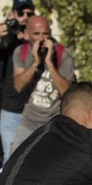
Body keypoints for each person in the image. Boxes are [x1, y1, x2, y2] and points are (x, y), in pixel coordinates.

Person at [0, 0, 34, 167]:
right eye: (21, 13)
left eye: (29, 13)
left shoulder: (39, 37)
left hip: (35, 109)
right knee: (11, 160)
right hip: (11, 109)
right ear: (13, 15)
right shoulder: (8, 39)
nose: (25, 17)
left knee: (35, 161)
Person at [10, 15, 75, 152]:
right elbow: (18, 86)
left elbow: (67, 92)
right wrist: (35, 63)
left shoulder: (63, 54)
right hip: (29, 122)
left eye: (45, 34)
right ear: (27, 34)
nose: (41, 39)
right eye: (36, 34)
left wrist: (50, 64)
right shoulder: (20, 52)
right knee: (14, 161)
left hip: (54, 124)